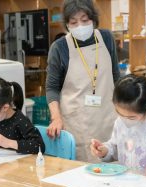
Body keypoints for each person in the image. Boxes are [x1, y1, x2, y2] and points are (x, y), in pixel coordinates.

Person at [46, 0, 120, 162]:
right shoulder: (60, 47)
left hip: (108, 117)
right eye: (73, 22)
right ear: (67, 25)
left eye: (85, 20)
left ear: (93, 19)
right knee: (81, 173)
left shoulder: (106, 38)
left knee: (111, 169)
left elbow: (116, 76)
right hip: (77, 123)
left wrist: (127, 111)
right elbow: (52, 88)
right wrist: (56, 118)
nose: (80, 26)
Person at [90, 74, 146, 179]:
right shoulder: (120, 121)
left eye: (131, 118)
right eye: (119, 114)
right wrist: (104, 151)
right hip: (127, 184)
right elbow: (116, 148)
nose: (125, 120)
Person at [0, 77, 45, 154]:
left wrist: (10, 143)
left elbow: (39, 146)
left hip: (21, 164)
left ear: (5, 107)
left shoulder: (20, 121)